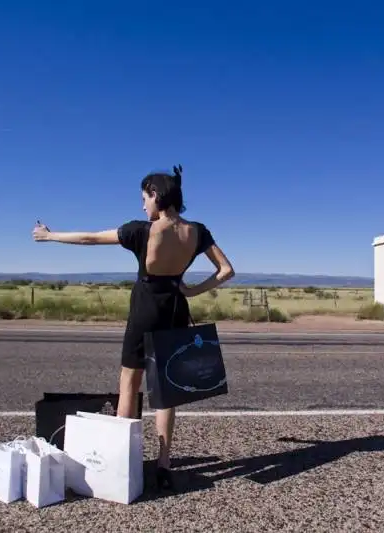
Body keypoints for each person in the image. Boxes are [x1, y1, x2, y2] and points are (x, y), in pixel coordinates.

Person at [31, 165, 234, 491]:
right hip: (175, 310)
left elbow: (91, 238)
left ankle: (122, 462)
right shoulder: (198, 231)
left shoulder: (142, 230)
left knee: (129, 383)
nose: (142, 206)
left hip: (145, 311)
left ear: (156, 195)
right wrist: (192, 291)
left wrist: (50, 236)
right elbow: (226, 270)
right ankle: (164, 464)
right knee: (166, 390)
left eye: (144, 198)